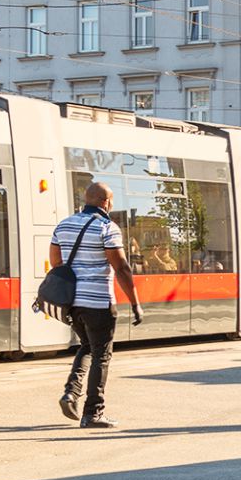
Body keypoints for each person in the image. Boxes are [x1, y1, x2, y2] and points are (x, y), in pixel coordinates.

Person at [49, 182, 143, 428]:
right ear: (105, 202)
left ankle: (71, 393)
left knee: (86, 347)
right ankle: (93, 413)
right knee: (102, 355)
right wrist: (135, 303)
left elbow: (56, 263)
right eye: (111, 201)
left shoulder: (64, 225)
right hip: (98, 301)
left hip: (72, 302)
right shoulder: (107, 227)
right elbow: (121, 267)